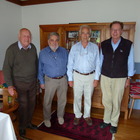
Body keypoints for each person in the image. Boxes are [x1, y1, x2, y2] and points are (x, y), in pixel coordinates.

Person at [100, 21, 135, 134]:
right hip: (105, 76)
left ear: (121, 31)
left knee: (116, 100)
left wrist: (129, 78)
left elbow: (130, 62)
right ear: (110, 31)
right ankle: (106, 120)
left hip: (120, 77)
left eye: (117, 29)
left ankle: (114, 123)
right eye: (113, 29)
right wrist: (98, 76)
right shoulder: (104, 44)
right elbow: (100, 61)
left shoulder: (128, 44)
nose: (115, 32)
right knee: (106, 100)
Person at [3, 28, 38, 137]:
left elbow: (36, 64)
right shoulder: (12, 49)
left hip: (32, 83)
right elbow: (7, 68)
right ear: (19, 37)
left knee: (32, 105)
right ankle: (22, 127)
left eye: (28, 36)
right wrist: (9, 85)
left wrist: (36, 80)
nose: (27, 38)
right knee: (23, 106)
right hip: (19, 83)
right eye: (24, 36)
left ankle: (28, 123)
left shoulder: (33, 48)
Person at [67, 25, 100, 126]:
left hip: (90, 76)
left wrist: (96, 78)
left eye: (87, 33)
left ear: (89, 35)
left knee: (88, 97)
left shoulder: (94, 47)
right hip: (77, 75)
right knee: (77, 97)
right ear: (80, 34)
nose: (85, 35)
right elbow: (70, 63)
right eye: (83, 33)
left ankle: (87, 115)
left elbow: (98, 63)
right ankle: (77, 115)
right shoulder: (74, 47)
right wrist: (70, 78)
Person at [38, 32, 68, 128]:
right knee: (47, 101)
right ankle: (46, 118)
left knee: (62, 100)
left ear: (58, 41)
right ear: (48, 41)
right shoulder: (43, 53)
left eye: (56, 40)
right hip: (49, 80)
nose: (54, 42)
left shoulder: (64, 51)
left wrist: (68, 78)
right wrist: (41, 82)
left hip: (63, 79)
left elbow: (68, 66)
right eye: (52, 40)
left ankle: (60, 116)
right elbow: (40, 68)